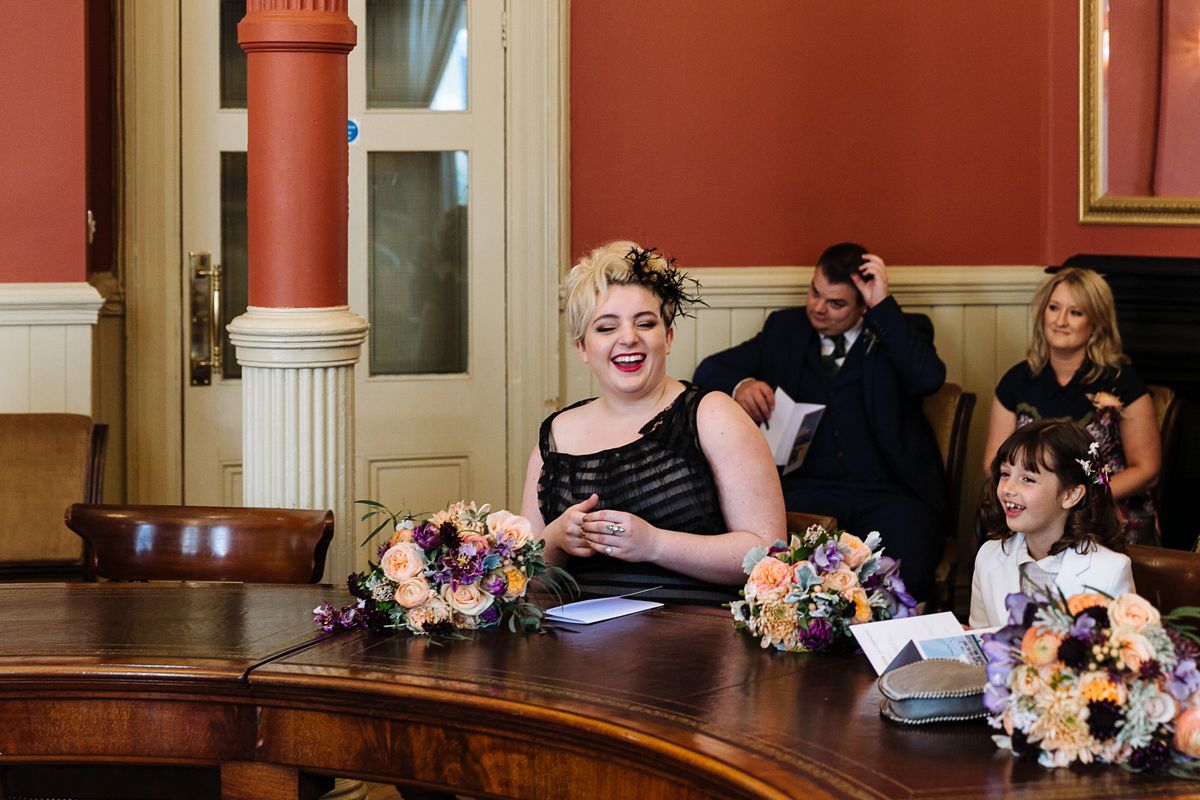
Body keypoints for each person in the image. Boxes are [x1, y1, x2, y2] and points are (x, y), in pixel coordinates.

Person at [520, 241, 786, 606]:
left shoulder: (713, 415)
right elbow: (528, 582)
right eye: (606, 327)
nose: (628, 338)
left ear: (669, 336)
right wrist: (556, 540)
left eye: (645, 323)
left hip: (696, 636)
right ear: (582, 347)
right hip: (574, 644)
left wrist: (654, 544)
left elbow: (770, 553)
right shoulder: (555, 436)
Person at [692, 242, 946, 601]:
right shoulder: (786, 329)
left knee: (902, 580)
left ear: (863, 305)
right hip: (809, 489)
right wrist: (742, 385)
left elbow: (929, 378)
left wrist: (883, 309)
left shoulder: (900, 330)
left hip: (891, 493)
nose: (817, 307)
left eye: (836, 303)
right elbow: (709, 369)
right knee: (790, 580)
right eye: (814, 292)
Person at [983, 267, 1161, 545]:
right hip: (1030, 509)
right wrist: (1036, 501)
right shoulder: (1016, 381)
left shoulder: (1123, 383)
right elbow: (992, 464)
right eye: (1054, 308)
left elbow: (1147, 470)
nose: (1061, 320)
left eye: (1075, 312)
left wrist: (1081, 497)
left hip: (1105, 511)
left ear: (1097, 323)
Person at [969, 420, 1133, 629]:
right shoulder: (988, 556)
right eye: (1005, 474)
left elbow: (1120, 654)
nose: (1008, 489)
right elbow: (980, 642)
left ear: (1070, 495)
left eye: (1027, 479)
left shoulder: (1110, 570)